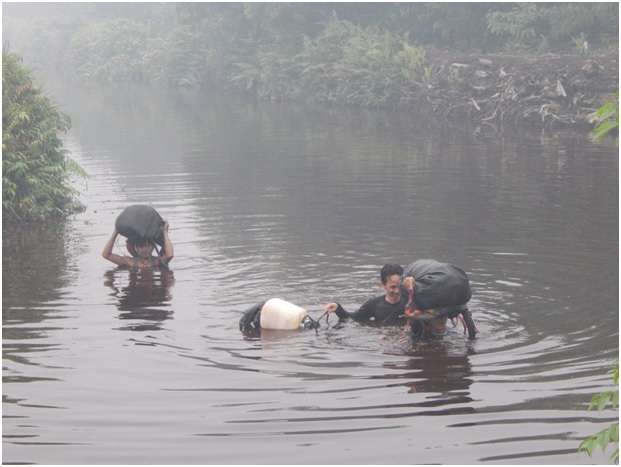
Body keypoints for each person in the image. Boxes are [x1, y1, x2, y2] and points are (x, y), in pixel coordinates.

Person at [323, 263, 408, 325]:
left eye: (399, 286)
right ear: (383, 285)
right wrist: (338, 308)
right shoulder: (373, 305)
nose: (397, 291)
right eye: (393, 287)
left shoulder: (411, 301)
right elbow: (352, 318)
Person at [102, 219, 174, 269]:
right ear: (137, 248)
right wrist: (116, 232)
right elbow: (106, 255)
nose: (145, 249)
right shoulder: (129, 262)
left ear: (153, 247)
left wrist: (165, 231)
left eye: (148, 246)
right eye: (141, 246)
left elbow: (170, 255)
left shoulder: (158, 261)